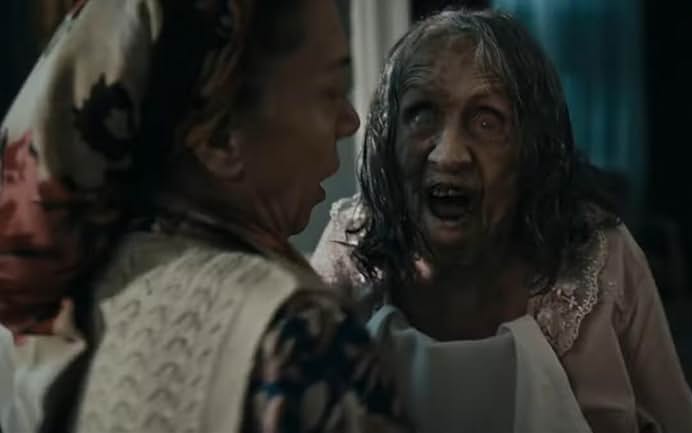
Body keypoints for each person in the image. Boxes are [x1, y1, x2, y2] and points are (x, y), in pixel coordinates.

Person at [0, 1, 407, 432]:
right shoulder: (299, 334)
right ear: (220, 137)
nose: (350, 121)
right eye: (330, 90)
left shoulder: (82, 294)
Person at [311, 9, 692, 433]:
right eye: (421, 114)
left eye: (487, 120)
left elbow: (677, 420)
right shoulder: (352, 246)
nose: (448, 155)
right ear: (389, 138)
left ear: (530, 149)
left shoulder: (598, 256)